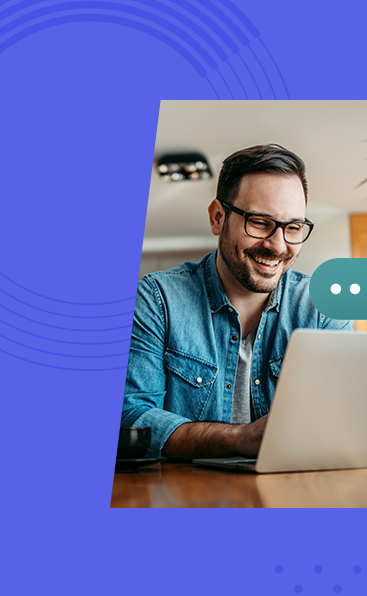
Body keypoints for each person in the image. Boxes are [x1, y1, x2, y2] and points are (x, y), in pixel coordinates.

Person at [122, 144, 350, 459]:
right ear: (218, 218)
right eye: (260, 222)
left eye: (293, 227)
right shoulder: (156, 300)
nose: (278, 245)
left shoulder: (325, 308)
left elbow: (345, 421)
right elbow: (132, 418)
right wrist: (239, 439)